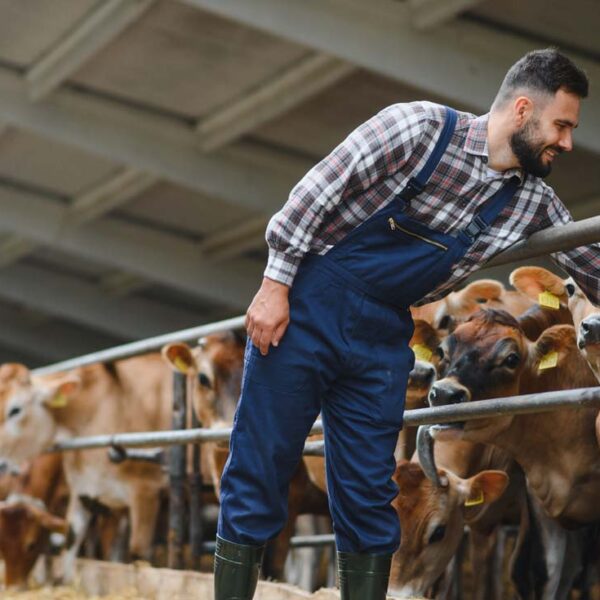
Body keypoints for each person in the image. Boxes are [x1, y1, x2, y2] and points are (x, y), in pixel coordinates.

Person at [213, 48, 594, 600]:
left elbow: (592, 263)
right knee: (261, 464)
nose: (566, 142)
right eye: (560, 125)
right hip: (308, 309)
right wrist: (274, 286)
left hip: (384, 336)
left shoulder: (533, 201)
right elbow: (310, 197)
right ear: (522, 109)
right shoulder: (416, 128)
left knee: (372, 490)